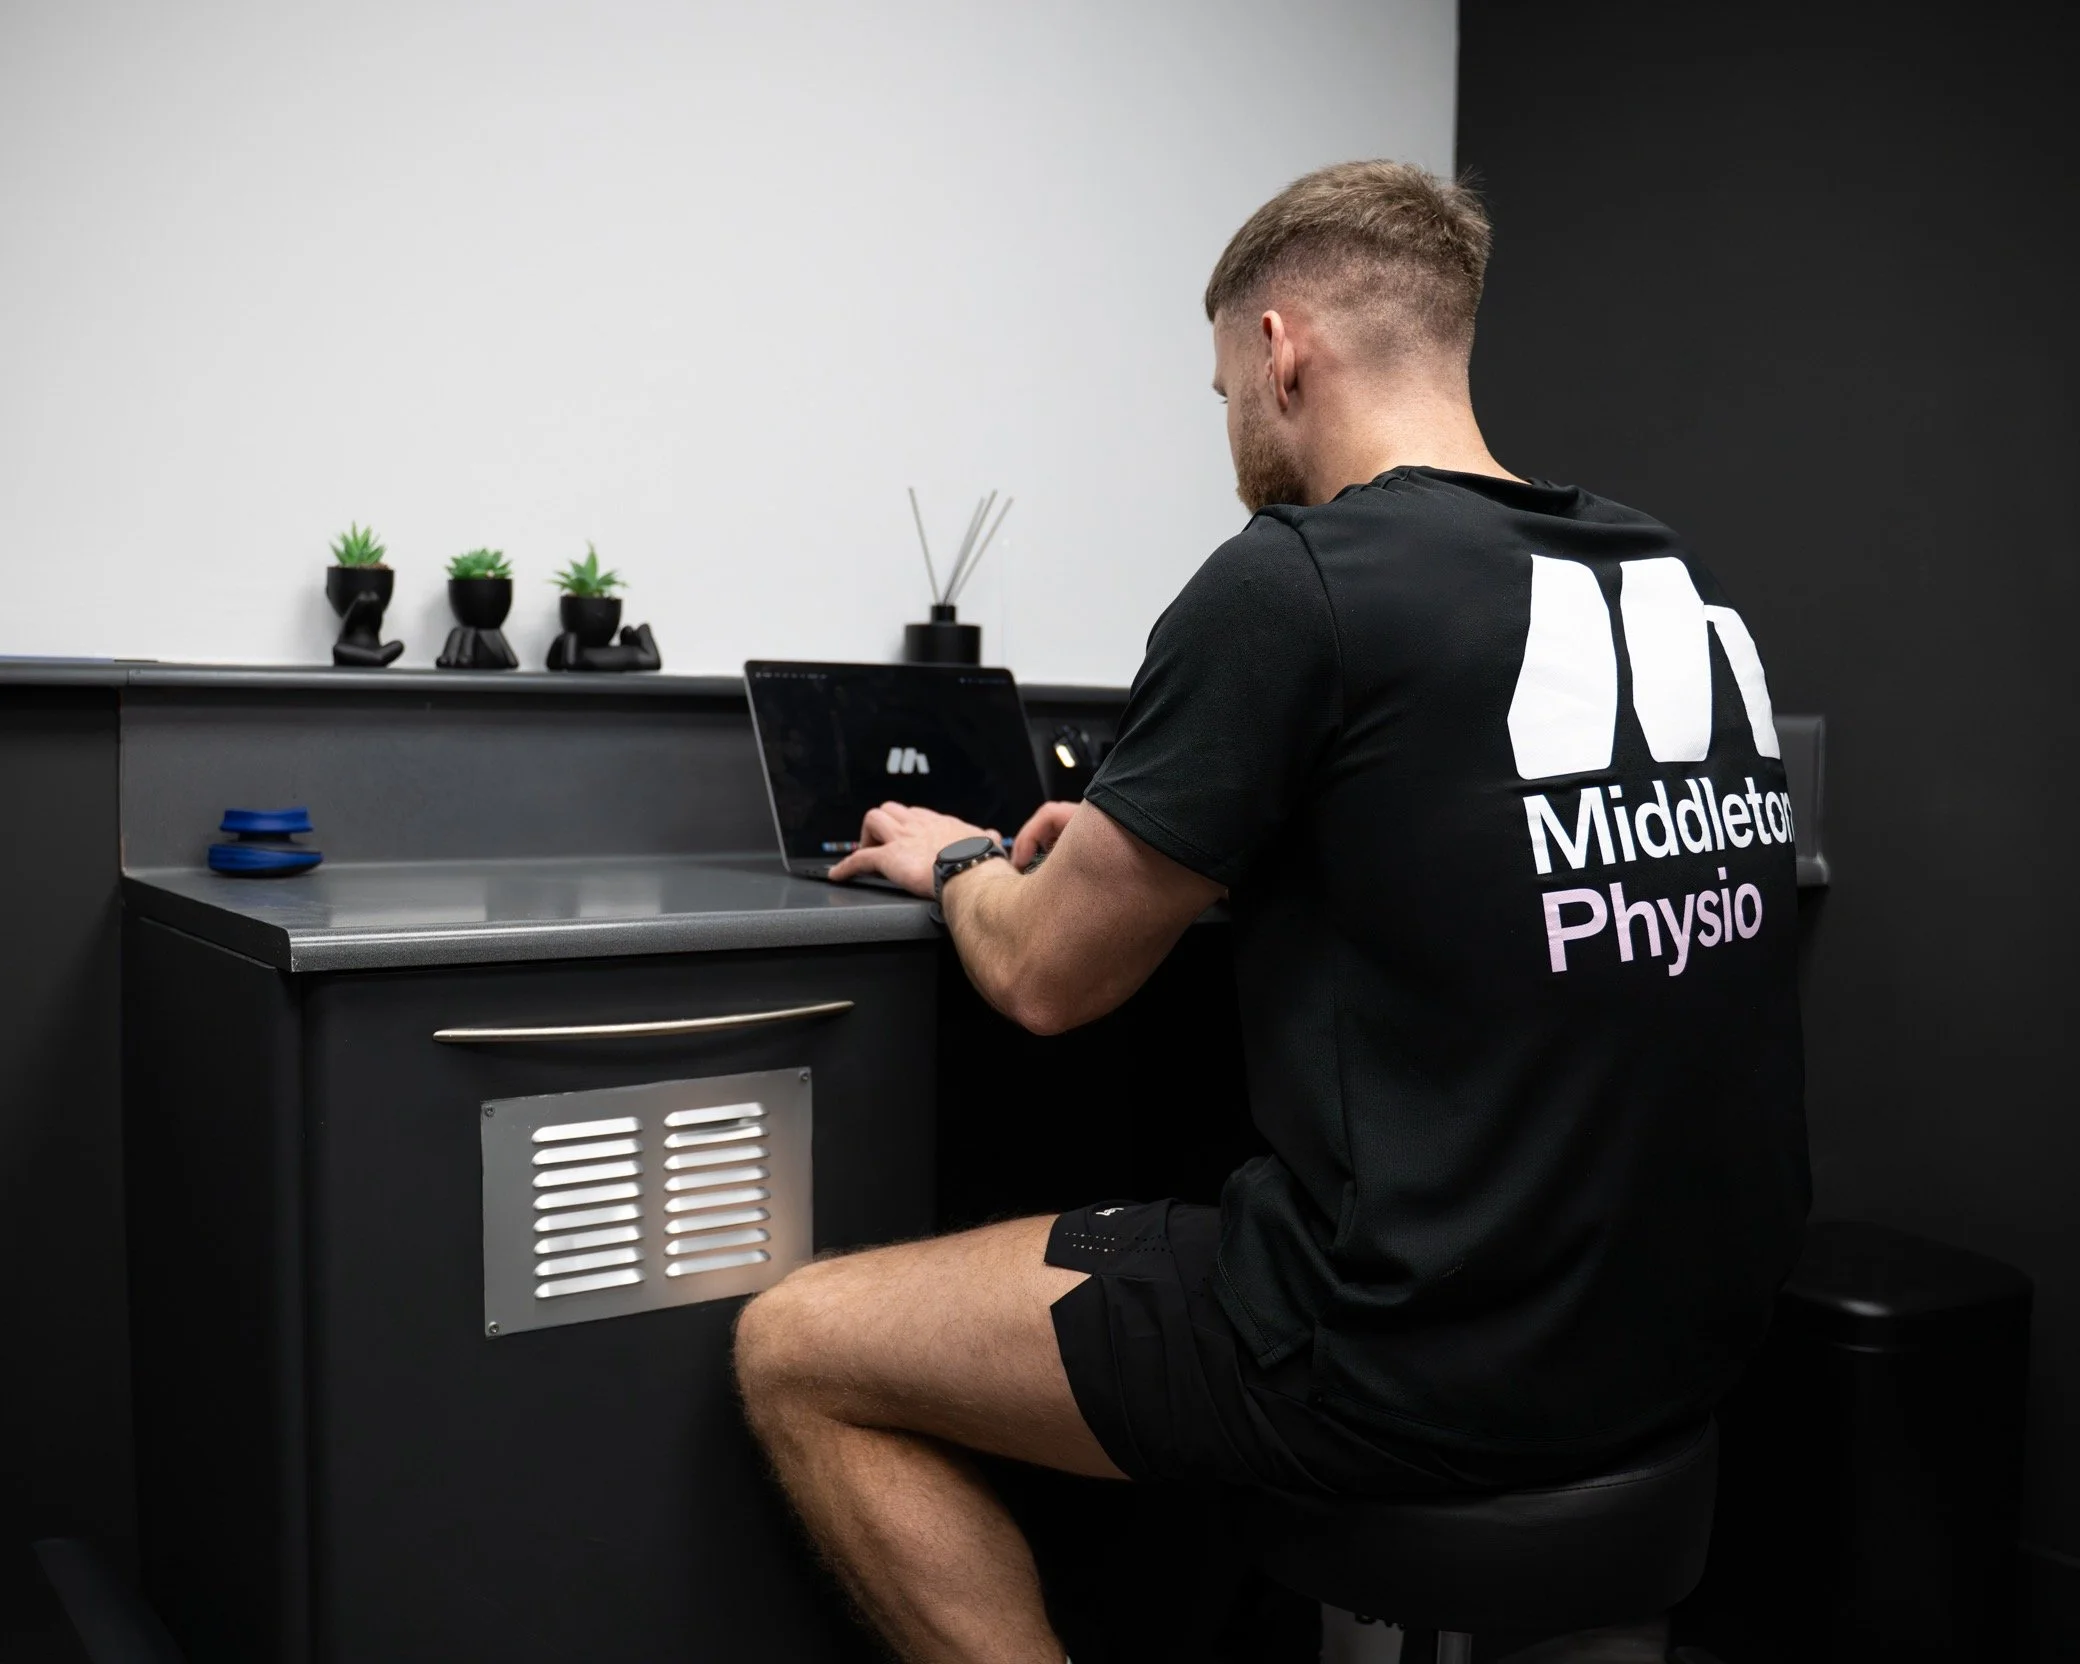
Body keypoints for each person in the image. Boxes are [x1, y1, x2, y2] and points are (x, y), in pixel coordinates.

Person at [731, 159, 1809, 1664]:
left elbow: (1046, 979)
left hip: (1407, 1360)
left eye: (1223, 379)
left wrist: (970, 862)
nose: (1230, 418)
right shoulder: (1666, 580)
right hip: (1665, 1351)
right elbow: (1496, 855)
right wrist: (1211, 839)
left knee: (794, 1347)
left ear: (1280, 350)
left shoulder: (1294, 580)